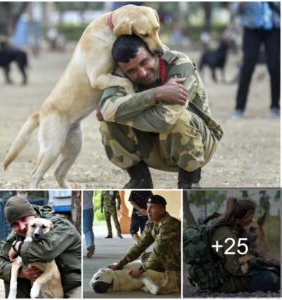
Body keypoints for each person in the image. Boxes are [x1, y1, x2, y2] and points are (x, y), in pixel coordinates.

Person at [97, 35, 223, 189]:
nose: (142, 72)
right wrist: (156, 94)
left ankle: (189, 183)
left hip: (199, 146)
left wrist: (120, 112)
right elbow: (107, 110)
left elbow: (164, 120)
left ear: (154, 52)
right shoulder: (120, 75)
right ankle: (140, 180)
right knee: (108, 124)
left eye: (144, 62)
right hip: (154, 148)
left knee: (179, 119)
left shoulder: (179, 64)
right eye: (132, 70)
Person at [0, 196, 81, 298]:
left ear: (33, 214)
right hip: (42, 285)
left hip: (72, 285)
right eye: (15, 224)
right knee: (12, 273)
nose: (22, 227)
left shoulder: (60, 224)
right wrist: (21, 273)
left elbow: (45, 252)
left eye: (24, 219)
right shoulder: (18, 234)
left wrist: (17, 247)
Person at [109, 195, 181, 294]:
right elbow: (140, 246)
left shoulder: (169, 224)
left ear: (162, 209)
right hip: (171, 256)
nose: (148, 211)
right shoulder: (152, 223)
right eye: (147, 207)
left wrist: (141, 269)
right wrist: (121, 263)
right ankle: (168, 275)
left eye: (152, 207)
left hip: (180, 258)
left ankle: (172, 283)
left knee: (161, 253)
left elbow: (159, 249)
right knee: (146, 257)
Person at [209, 198, 279, 293]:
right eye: (248, 220)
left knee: (276, 271)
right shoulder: (227, 236)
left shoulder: (232, 227)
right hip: (226, 282)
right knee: (273, 279)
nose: (249, 224)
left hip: (226, 275)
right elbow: (236, 269)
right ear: (241, 218)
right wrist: (262, 263)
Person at [233, 2, 280, 118]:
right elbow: (236, 10)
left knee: (275, 67)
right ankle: (239, 107)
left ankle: (275, 106)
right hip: (251, 28)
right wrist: (241, 4)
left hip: (273, 27)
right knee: (247, 67)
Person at [83, 190, 95, 258]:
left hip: (86, 208)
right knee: (87, 229)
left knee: (86, 229)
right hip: (88, 207)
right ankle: (90, 244)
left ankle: (90, 245)